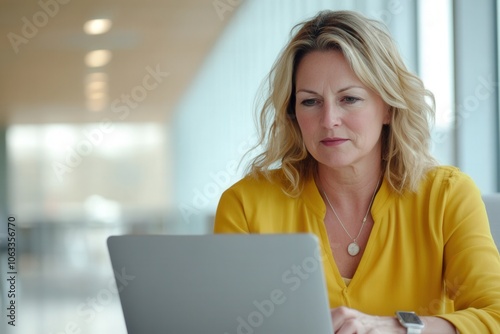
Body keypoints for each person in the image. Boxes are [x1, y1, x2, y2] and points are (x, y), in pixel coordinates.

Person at [214, 10, 500, 333]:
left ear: (389, 108)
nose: (329, 120)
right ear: (293, 112)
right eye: (310, 102)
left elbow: (495, 315)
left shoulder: (447, 196)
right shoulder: (245, 205)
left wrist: (394, 327)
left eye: (349, 99)